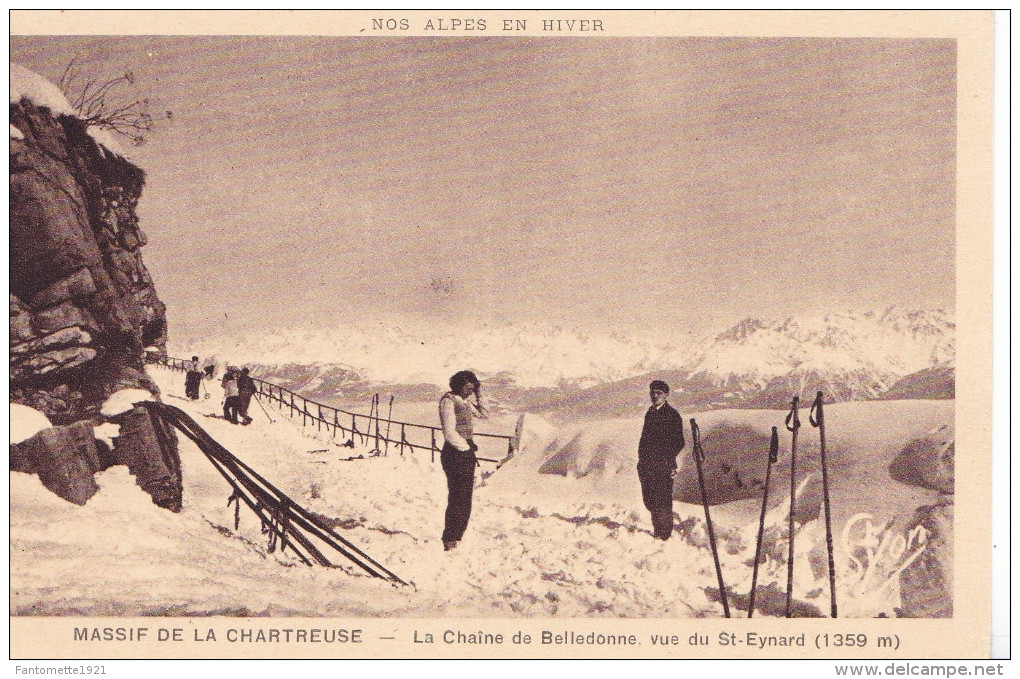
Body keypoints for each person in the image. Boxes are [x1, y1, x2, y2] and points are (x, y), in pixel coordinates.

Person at [438, 369, 488, 552]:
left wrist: (479, 394)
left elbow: (484, 413)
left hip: (465, 452)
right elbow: (449, 432)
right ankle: (450, 538)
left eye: (472, 388)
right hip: (455, 452)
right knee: (457, 497)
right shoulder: (448, 401)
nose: (470, 391)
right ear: (459, 385)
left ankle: (457, 537)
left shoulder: (465, 402)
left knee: (466, 498)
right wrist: (466, 448)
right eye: (468, 388)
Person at [637, 379, 685, 540]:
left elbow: (679, 442)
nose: (655, 396)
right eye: (653, 392)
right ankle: (659, 530)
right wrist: (641, 461)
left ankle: (664, 534)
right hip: (646, 465)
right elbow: (644, 439)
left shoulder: (672, 415)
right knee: (650, 500)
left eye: (658, 393)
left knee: (662, 499)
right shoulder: (650, 413)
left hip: (663, 465)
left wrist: (665, 458)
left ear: (666, 395)